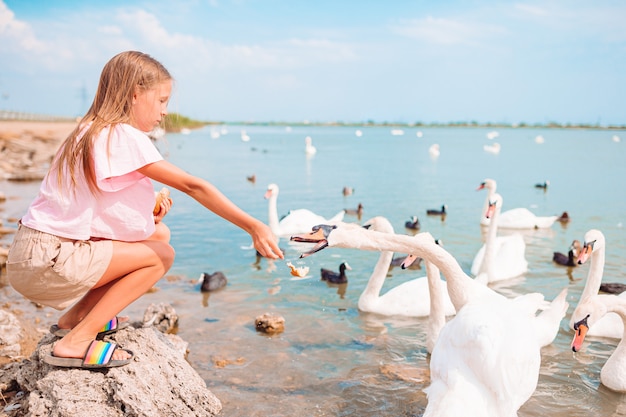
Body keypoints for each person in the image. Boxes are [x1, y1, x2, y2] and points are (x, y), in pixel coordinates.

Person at [6, 51, 283, 369]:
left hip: (31, 255)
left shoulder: (89, 130)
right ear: (135, 93)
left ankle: (75, 318)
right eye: (162, 101)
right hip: (50, 259)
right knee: (162, 256)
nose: (165, 112)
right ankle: (78, 340)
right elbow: (195, 187)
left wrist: (148, 218)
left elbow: (92, 213)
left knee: (159, 233)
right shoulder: (123, 135)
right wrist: (253, 226)